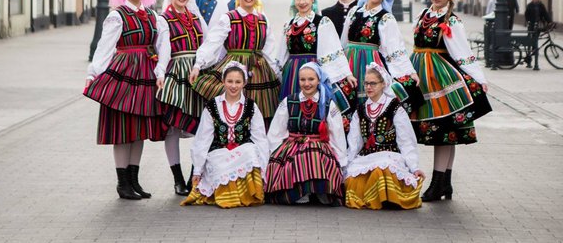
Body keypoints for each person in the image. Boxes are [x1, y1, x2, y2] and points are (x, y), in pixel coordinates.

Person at [84, 0, 165, 200]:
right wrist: (94, 74)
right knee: (123, 130)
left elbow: (159, 46)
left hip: (145, 75)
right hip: (124, 74)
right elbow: (105, 46)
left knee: (138, 130)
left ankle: (134, 180)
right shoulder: (117, 16)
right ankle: (122, 183)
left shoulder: (152, 15)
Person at [410, 0, 491, 202]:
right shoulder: (423, 15)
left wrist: (478, 78)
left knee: (444, 131)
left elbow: (462, 53)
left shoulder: (452, 22)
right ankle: (445, 183)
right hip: (422, 77)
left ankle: (439, 183)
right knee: (445, 131)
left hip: (442, 80)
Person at [189, 0, 281, 129]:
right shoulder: (229, 18)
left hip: (259, 70)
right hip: (234, 67)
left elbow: (269, 51)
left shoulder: (263, 20)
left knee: (260, 114)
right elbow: (213, 42)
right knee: (233, 112)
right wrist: (198, 65)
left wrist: (276, 74)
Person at [182, 61, 269, 208]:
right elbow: (202, 139)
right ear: (223, 81)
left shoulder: (251, 106)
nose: (233, 86)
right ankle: (226, 196)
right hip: (219, 152)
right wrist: (197, 169)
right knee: (218, 162)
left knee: (251, 150)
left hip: (242, 152)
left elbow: (260, 138)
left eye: (237, 82)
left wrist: (263, 168)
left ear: (244, 83)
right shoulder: (212, 106)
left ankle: (246, 194)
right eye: (229, 81)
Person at [344, 63, 425, 210]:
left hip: (389, 156)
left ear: (383, 84)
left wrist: (414, 168)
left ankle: (387, 198)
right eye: (366, 83)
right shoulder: (361, 110)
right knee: (353, 178)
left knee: (381, 170)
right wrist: (346, 165)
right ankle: (377, 197)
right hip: (367, 157)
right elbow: (354, 142)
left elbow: (406, 141)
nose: (369, 87)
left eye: (373, 83)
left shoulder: (395, 108)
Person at [265, 62, 347, 205]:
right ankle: (301, 192)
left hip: (319, 147)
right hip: (293, 145)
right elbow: (276, 131)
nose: (307, 83)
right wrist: (273, 154)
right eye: (303, 80)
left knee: (312, 153)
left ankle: (319, 190)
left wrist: (341, 162)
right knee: (299, 157)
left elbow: (337, 134)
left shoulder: (328, 104)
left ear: (318, 80)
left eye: (311, 79)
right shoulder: (289, 101)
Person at [155, 0, 207, 196]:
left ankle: (194, 175)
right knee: (173, 127)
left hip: (197, 73)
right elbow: (162, 49)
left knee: (203, 127)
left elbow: (206, 44)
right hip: (176, 72)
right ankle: (178, 178)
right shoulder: (163, 19)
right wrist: (160, 73)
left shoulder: (196, 17)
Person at [340, 0, 418, 113]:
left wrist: (408, 72)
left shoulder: (386, 18)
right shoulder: (354, 11)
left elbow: (395, 49)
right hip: (349, 63)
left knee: (369, 103)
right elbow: (343, 42)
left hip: (370, 65)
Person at [276, 0, 355, 102]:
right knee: (293, 105)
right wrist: (276, 73)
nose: (302, 2)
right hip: (292, 74)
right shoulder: (288, 25)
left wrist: (346, 73)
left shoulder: (322, 22)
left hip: (314, 72)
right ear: (294, 1)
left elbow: (333, 49)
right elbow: (282, 54)